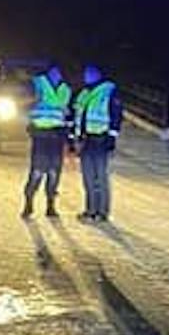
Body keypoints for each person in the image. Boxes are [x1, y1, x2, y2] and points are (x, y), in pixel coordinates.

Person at [72, 62, 122, 222]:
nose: (86, 76)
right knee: (88, 178)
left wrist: (112, 136)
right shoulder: (83, 93)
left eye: (90, 73)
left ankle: (102, 212)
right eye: (85, 73)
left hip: (101, 139)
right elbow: (77, 117)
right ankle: (90, 210)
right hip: (86, 141)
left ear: (98, 74)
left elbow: (116, 115)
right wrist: (75, 138)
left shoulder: (108, 91)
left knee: (100, 177)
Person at [22, 61, 71, 218]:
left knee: (53, 172)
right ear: (50, 71)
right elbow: (24, 104)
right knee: (37, 171)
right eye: (57, 71)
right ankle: (28, 204)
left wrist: (69, 135)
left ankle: (50, 206)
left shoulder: (66, 89)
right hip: (41, 135)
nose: (59, 75)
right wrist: (28, 122)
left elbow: (67, 113)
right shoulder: (37, 84)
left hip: (57, 136)